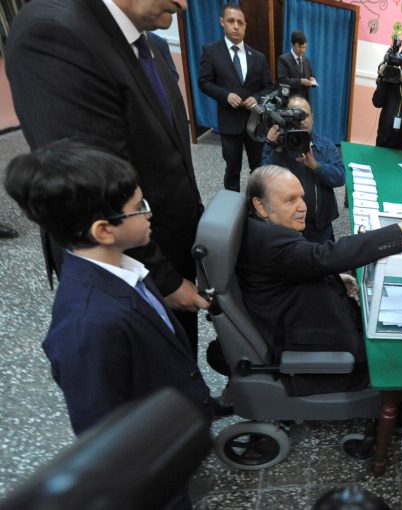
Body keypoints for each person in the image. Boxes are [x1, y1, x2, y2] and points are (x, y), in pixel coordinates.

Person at [4, 141, 212, 508]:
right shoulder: (88, 326)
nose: (150, 214)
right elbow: (104, 436)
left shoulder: (127, 268)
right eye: (139, 208)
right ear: (104, 230)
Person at [5, 0, 208, 353]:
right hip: (126, 267)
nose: (184, 5)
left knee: (177, 359)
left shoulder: (147, 42)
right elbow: (96, 190)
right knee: (144, 383)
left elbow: (167, 156)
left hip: (166, 248)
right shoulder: (55, 33)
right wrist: (165, 279)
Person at [236, 165, 402, 396]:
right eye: (290, 200)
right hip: (310, 340)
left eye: (302, 198)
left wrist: (337, 279)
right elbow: (324, 256)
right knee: (395, 354)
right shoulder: (268, 241)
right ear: (260, 205)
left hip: (300, 309)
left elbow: (301, 262)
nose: (302, 207)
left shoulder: (262, 229)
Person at [199, 3, 274, 192]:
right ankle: (232, 210)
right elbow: (204, 82)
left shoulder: (258, 57)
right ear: (222, 22)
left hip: (255, 123)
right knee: (232, 168)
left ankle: (256, 205)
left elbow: (269, 87)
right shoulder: (211, 51)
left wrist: (256, 98)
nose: (236, 26)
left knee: (258, 168)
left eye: (240, 22)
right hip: (229, 122)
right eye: (231, 21)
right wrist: (225, 95)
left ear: (245, 26)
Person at [262, 95, 345, 243]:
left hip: (319, 226)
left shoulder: (326, 146)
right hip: (285, 225)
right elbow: (261, 182)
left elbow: (340, 177)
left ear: (312, 117)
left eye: (305, 115)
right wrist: (276, 151)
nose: (302, 120)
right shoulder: (276, 145)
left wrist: (316, 166)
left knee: (323, 262)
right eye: (295, 116)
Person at [372, 46, 402, 150]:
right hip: (385, 134)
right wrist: (382, 79)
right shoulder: (390, 76)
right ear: (398, 61)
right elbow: (377, 102)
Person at [277, 30, 316, 101]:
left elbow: (311, 75)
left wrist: (313, 79)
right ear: (292, 44)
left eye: (304, 47)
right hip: (291, 102)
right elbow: (282, 81)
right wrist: (301, 81)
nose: (302, 50)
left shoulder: (306, 60)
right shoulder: (283, 59)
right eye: (299, 47)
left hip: (305, 102)